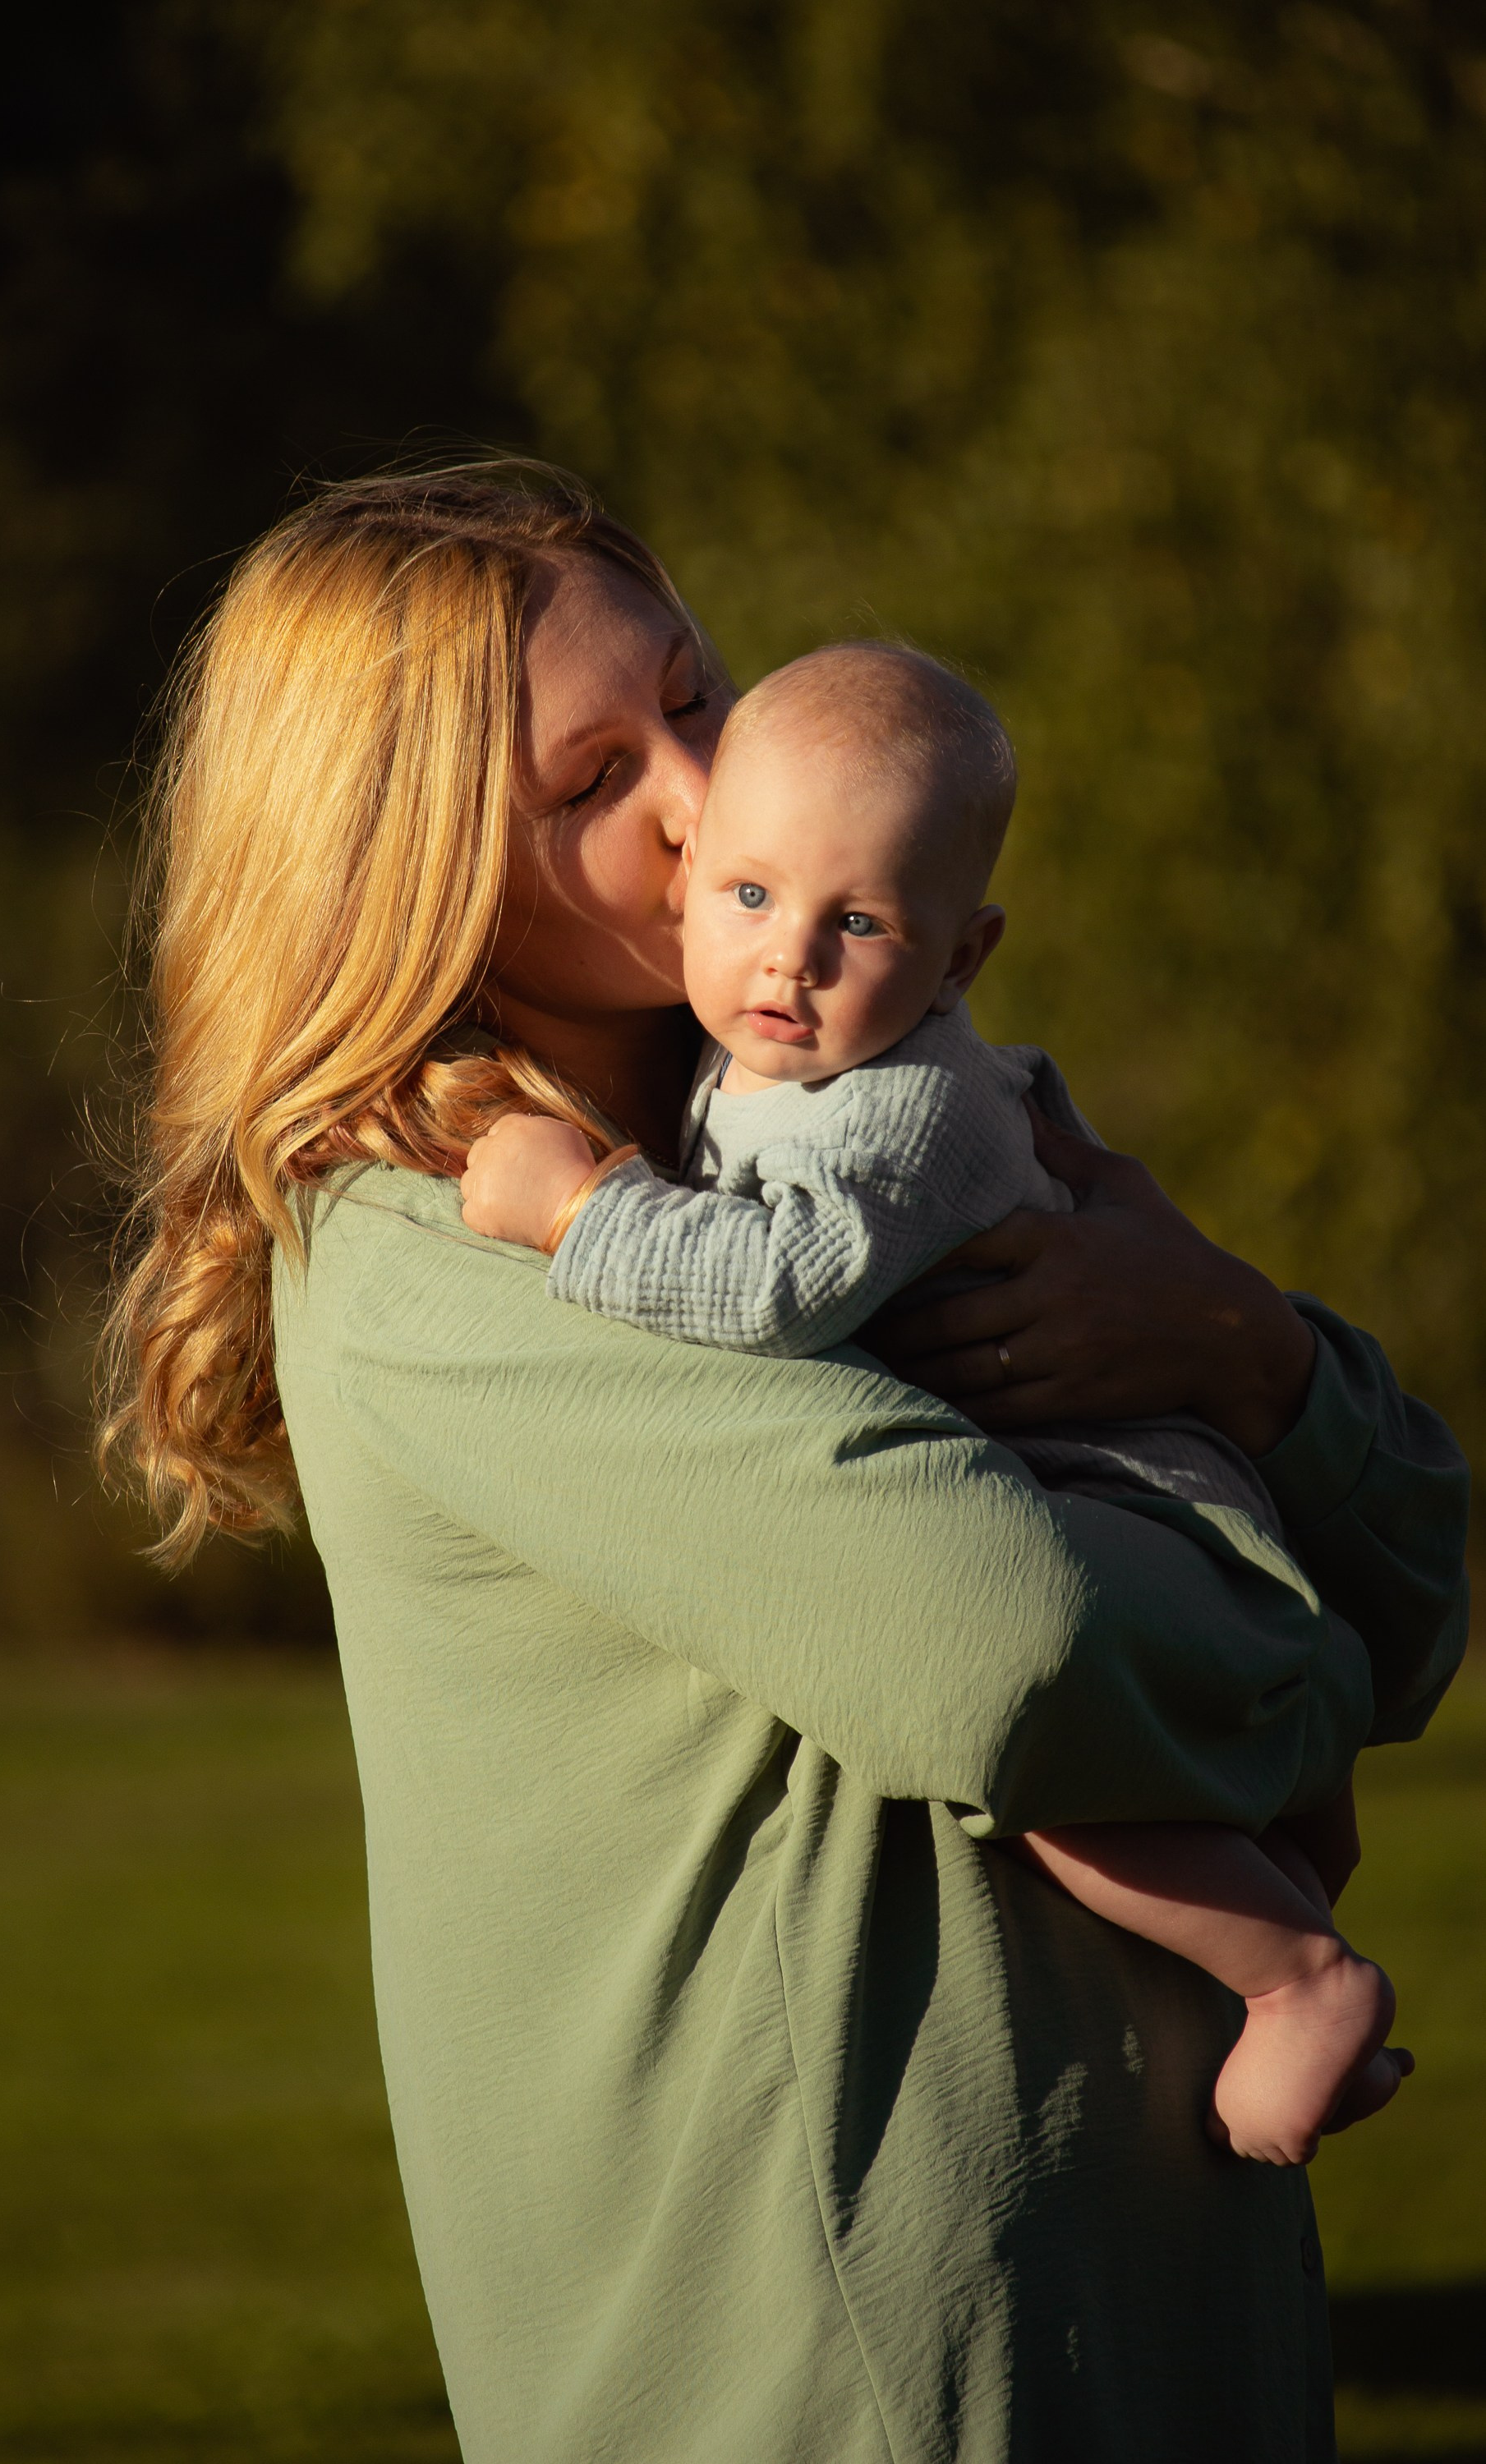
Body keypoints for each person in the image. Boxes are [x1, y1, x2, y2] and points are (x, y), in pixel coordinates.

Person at [99, 464, 1470, 2464]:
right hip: (848, 2359)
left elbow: (1425, 1560)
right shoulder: (448, 1245)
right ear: (399, 868)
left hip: (1150, 2299)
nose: (695, 795)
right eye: (587, 783)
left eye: (696, 697)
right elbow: (1008, 1646)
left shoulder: (834, 1113)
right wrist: (1306, 1674)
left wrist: (1241, 1349)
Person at [458, 636, 1407, 2170]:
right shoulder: (774, 1053)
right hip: (1088, 1479)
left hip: (1118, 1489)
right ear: (694, 882)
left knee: (1055, 1780)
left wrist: (576, 1212)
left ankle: (1296, 1977)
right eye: (753, 900)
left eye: (859, 923)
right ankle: (1298, 1934)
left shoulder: (896, 1110)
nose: (788, 962)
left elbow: (768, 1287)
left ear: (960, 958)